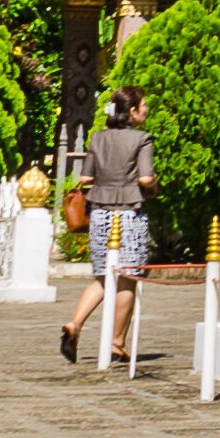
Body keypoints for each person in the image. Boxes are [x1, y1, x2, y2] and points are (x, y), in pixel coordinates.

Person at [61, 89, 157, 366]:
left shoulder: (97, 138)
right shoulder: (142, 139)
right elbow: (146, 177)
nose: (146, 109)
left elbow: (87, 176)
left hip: (100, 213)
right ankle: (117, 343)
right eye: (144, 105)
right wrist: (154, 183)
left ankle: (75, 323)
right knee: (127, 276)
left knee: (103, 276)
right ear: (133, 111)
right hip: (128, 213)